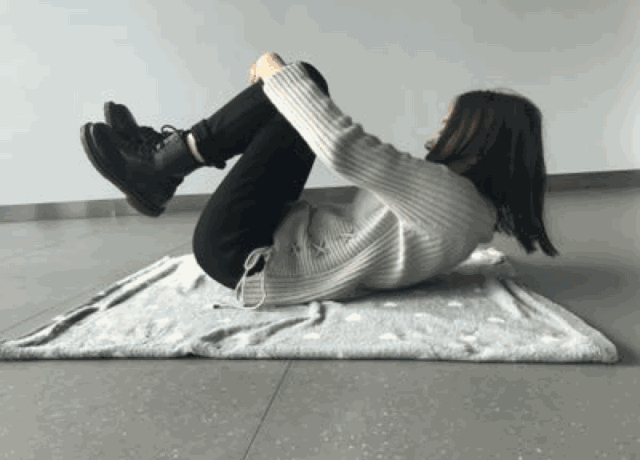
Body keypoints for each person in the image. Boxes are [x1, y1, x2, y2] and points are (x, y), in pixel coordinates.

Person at [79, 52, 559, 311]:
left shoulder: (448, 197)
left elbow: (341, 146)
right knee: (291, 93)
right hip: (272, 238)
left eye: (449, 123)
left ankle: (162, 167)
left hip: (245, 253)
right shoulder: (466, 207)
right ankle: (165, 164)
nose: (436, 132)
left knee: (300, 79)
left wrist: (275, 72)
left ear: (478, 139)